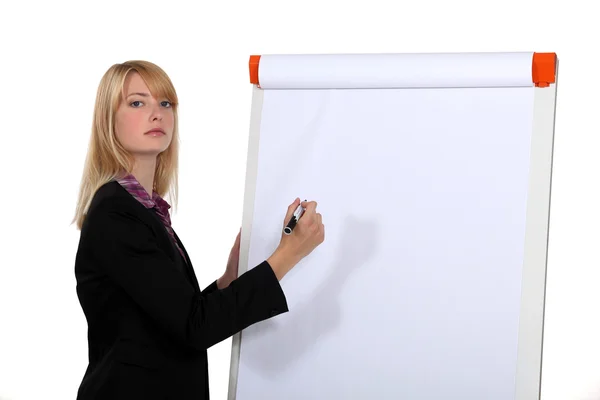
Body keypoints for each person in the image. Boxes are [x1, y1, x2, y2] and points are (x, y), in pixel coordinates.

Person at [72, 60, 325, 400]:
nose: (156, 113)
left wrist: (228, 279)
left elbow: (172, 319)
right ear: (108, 119)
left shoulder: (145, 210)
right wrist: (287, 255)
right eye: (137, 102)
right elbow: (195, 328)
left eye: (165, 103)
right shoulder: (116, 213)